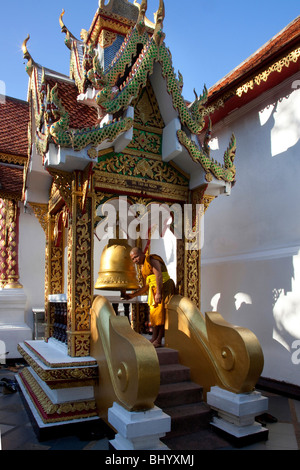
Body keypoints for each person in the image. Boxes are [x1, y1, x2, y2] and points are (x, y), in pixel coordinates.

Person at [123, 247, 175, 348]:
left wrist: (159, 293)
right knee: (154, 315)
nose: (135, 260)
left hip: (163, 287)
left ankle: (159, 339)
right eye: (133, 259)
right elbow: (146, 286)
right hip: (153, 290)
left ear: (142, 253)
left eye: (136, 257)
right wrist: (132, 296)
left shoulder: (152, 260)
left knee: (161, 315)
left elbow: (158, 275)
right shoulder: (143, 268)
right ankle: (154, 337)